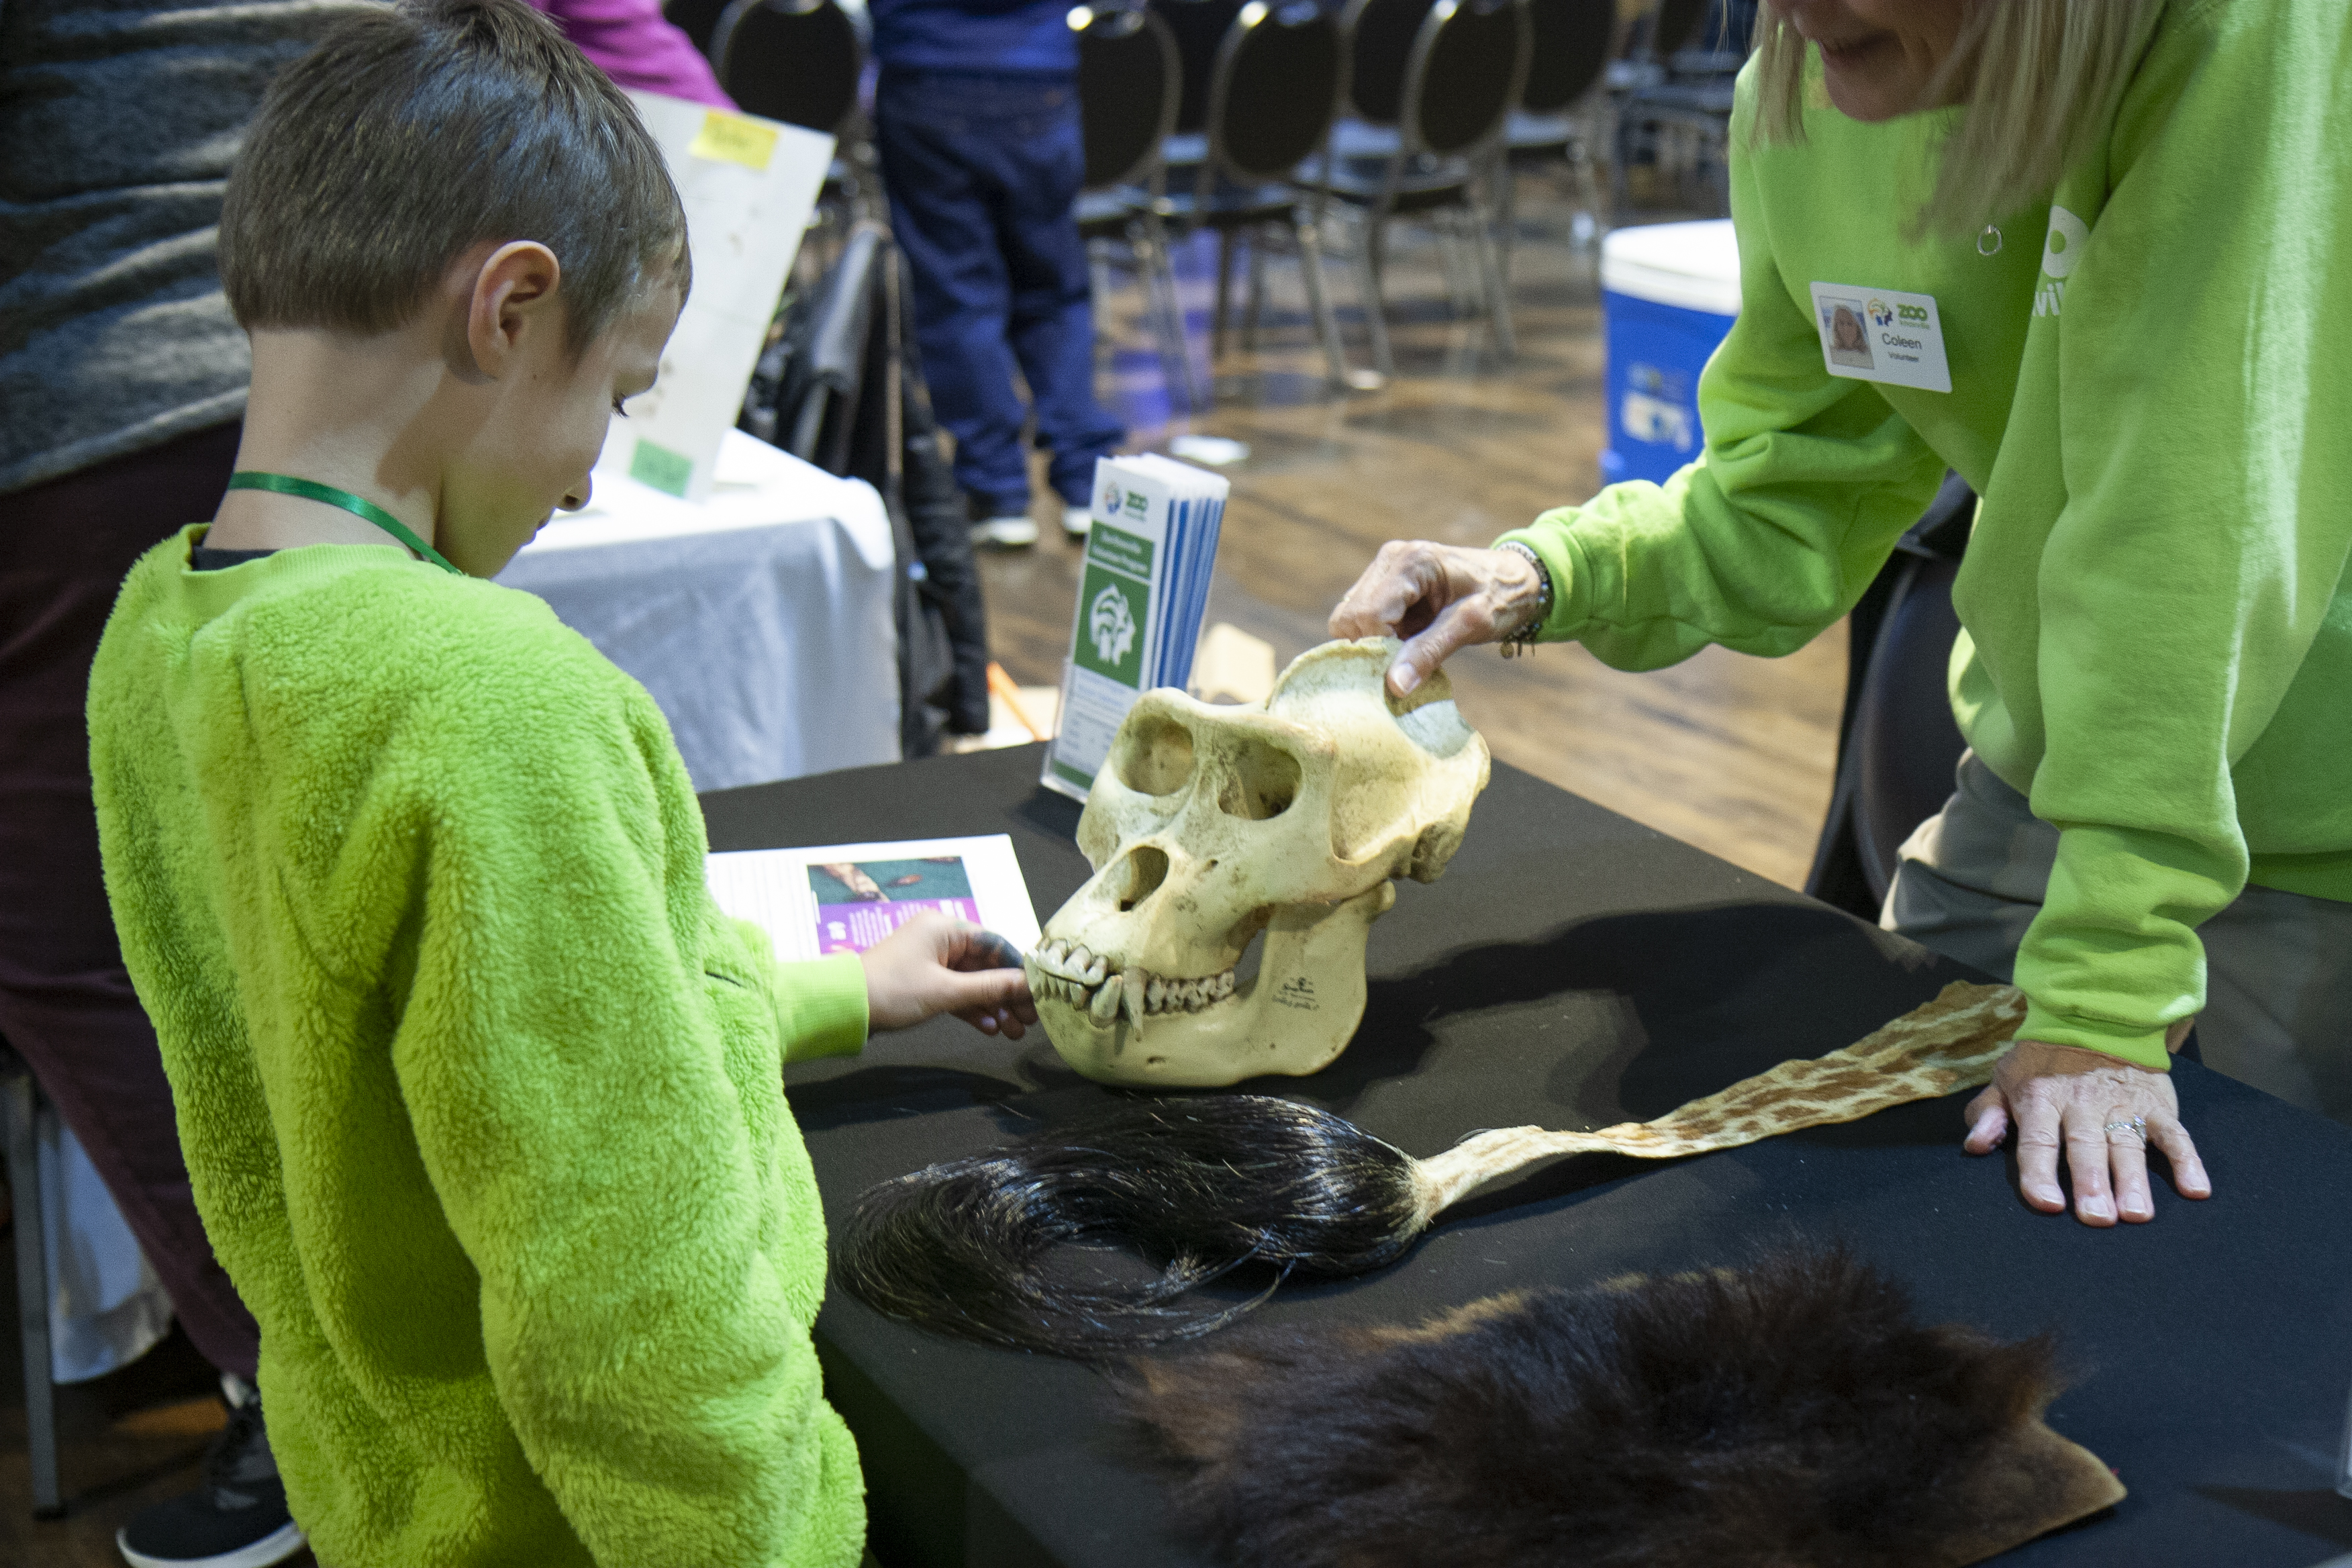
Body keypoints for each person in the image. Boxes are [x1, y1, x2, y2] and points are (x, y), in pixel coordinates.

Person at [85, 5, 1032, 1565]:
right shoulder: (487, 698)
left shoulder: (155, 630)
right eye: (619, 388)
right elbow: (625, 1292)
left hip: (386, 1497)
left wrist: (838, 989)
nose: (592, 470)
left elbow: (452, 1076)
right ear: (511, 304)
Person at [1332, 0, 2352, 1226]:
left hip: (2302, 808)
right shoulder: (1807, 79)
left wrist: (2103, 996)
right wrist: (1544, 575)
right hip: (2053, 769)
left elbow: (2184, 526)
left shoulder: (2247, 31)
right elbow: (1788, 494)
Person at [868, 0, 1128, 549]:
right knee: (1055, 288)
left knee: (957, 295)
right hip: (1038, 75)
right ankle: (1087, 483)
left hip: (928, 67)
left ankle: (997, 493)